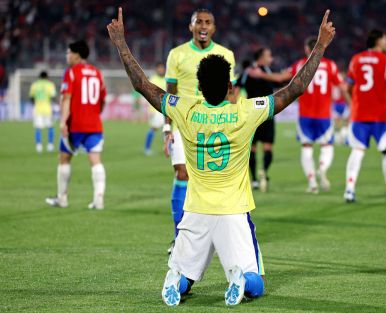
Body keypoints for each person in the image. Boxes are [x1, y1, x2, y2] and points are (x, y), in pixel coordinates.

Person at [108, 7, 335, 306]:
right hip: (233, 212)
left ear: (199, 87)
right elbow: (296, 88)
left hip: (196, 211)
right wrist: (319, 45)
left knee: (186, 272)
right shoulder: (245, 112)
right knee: (256, 283)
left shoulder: (185, 110)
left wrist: (121, 42)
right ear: (230, 86)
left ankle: (176, 280)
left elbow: (142, 84)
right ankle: (239, 278)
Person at [163, 8, 237, 253]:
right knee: (182, 174)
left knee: (213, 181)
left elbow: (231, 93)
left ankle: (218, 236)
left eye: (208, 22)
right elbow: (169, 94)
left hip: (216, 125)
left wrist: (234, 125)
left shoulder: (226, 54)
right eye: (199, 22)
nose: (203, 26)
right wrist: (166, 127)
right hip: (184, 125)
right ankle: (179, 237)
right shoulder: (177, 54)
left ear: (214, 28)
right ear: (191, 26)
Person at [249, 38, 351, 193]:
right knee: (327, 145)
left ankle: (312, 183)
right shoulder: (330, 65)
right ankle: (322, 168)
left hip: (305, 115)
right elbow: (342, 87)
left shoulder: (300, 64)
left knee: (306, 147)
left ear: (307, 49)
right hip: (324, 115)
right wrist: (351, 105)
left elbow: (281, 78)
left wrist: (260, 75)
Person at [344, 29, 386, 203]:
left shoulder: (356, 60)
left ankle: (349, 190)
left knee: (357, 150)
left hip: (359, 115)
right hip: (381, 116)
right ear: (378, 41)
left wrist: (352, 105)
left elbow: (347, 87)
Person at [45, 40, 107, 209]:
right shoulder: (97, 72)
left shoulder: (71, 72)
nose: (67, 56)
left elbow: (66, 98)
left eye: (68, 52)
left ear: (77, 55)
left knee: (64, 158)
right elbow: (103, 100)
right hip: (94, 124)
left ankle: (62, 198)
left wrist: (63, 121)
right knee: (96, 160)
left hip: (75, 125)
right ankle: (98, 199)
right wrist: (94, 114)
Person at [239, 48, 277, 192]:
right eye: (269, 55)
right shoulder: (266, 71)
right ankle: (263, 172)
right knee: (267, 147)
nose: (271, 58)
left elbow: (237, 86)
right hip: (265, 113)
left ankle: (254, 179)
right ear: (261, 57)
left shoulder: (248, 71)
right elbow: (279, 81)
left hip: (252, 115)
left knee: (252, 148)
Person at [29, 71, 56, 153]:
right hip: (47, 109)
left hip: (37, 109)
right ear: (47, 77)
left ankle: (39, 146)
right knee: (50, 127)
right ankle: (50, 145)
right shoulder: (50, 84)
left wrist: (36, 103)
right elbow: (53, 96)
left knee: (38, 128)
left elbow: (31, 97)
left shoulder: (34, 85)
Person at [144, 62, 166, 155]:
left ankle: (168, 148)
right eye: (159, 68)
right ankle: (147, 148)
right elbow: (149, 95)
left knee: (167, 129)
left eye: (163, 68)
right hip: (155, 109)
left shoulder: (167, 79)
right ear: (156, 69)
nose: (161, 70)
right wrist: (150, 110)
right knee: (154, 128)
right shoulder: (153, 80)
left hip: (166, 109)